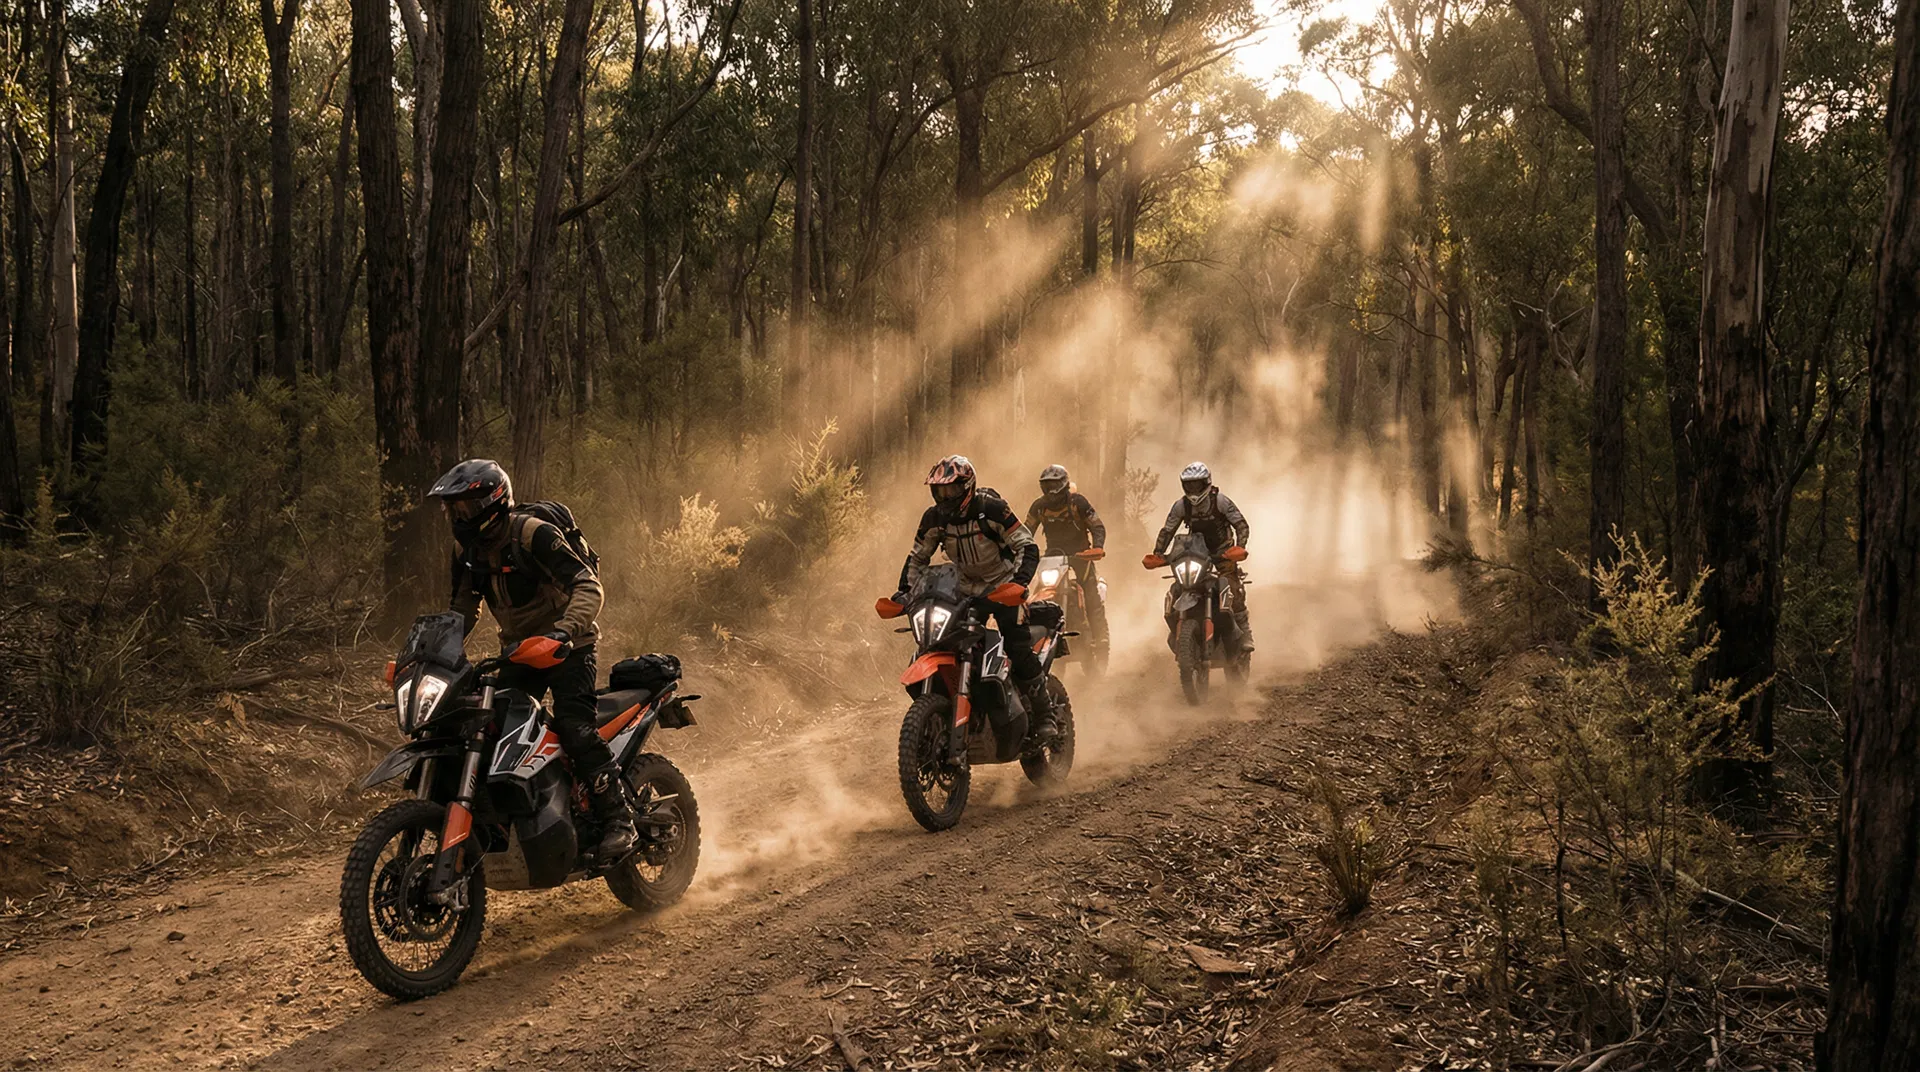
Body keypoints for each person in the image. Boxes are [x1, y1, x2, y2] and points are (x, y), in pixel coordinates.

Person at [428, 459, 636, 860]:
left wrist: (563, 631)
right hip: (519, 652)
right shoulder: (465, 551)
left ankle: (618, 819)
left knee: (574, 728)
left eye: (465, 509)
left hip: (568, 646)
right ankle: (509, 819)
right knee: (487, 726)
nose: (458, 517)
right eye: (452, 510)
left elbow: (587, 586)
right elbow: (463, 608)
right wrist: (438, 650)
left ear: (492, 503)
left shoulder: (532, 534)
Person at [893, 455, 1058, 742]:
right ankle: (951, 712)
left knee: (1016, 645)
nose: (945, 497)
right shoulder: (934, 518)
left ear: (967, 486)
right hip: (965, 589)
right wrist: (904, 594)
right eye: (940, 491)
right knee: (942, 641)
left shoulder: (990, 509)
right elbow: (917, 557)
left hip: (1002, 585)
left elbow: (1026, 544)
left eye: (952, 490)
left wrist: (1019, 583)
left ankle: (1045, 716)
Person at [1147, 461, 1255, 651]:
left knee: (1232, 587)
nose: (1193, 489)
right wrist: (1158, 553)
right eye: (1189, 485)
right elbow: (1168, 530)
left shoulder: (1220, 501)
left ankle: (1245, 633)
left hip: (1223, 552)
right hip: (1196, 552)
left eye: (1197, 484)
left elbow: (1241, 525)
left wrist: (1239, 547)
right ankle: (1178, 631)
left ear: (1207, 482)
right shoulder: (1181, 505)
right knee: (1180, 586)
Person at [1023, 464, 1109, 663]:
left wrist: (1097, 547)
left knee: (1090, 594)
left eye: (1054, 484)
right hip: (1052, 558)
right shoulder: (1038, 506)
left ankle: (1100, 636)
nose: (1051, 490)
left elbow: (1097, 526)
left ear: (1063, 484)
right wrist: (1019, 551)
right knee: (1034, 596)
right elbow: (1026, 532)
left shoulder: (1078, 502)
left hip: (1081, 557)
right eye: (1047, 485)